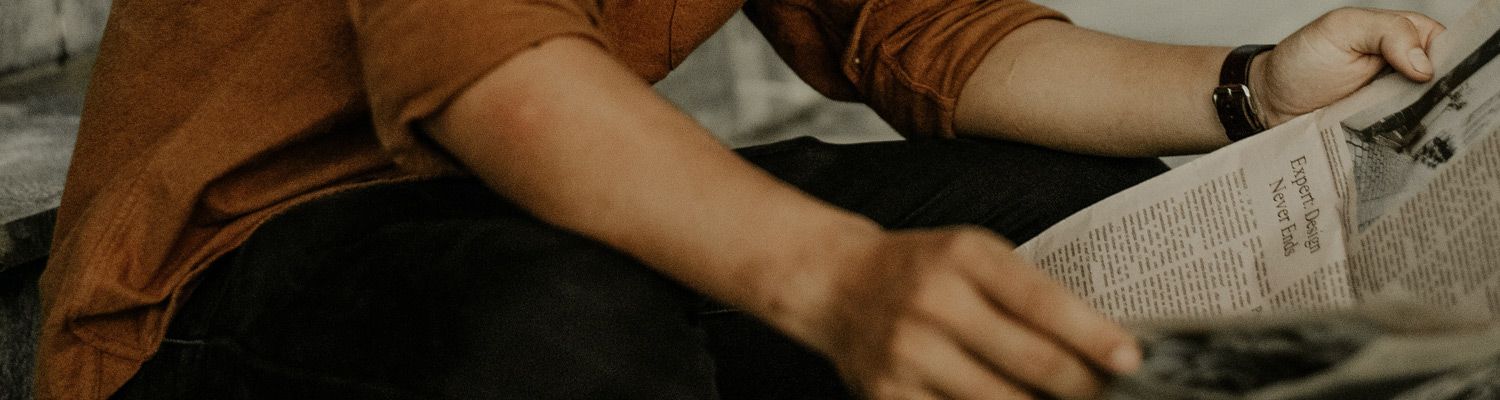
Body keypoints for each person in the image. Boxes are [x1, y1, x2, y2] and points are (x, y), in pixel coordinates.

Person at [37, 1, 1444, 399]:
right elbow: (486, 68)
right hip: (230, 270)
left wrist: (1251, 87)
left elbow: (921, 29)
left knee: (1053, 212)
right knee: (565, 328)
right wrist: (831, 278)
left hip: (534, 200)